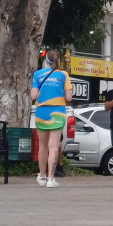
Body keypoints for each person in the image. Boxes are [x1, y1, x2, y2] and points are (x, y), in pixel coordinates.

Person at [31, 50, 72, 188]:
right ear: (58, 60)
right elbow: (69, 98)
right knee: (54, 146)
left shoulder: (37, 74)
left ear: (45, 60)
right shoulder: (64, 75)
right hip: (58, 113)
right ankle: (51, 179)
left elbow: (33, 95)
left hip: (41, 112)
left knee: (42, 146)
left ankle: (42, 176)